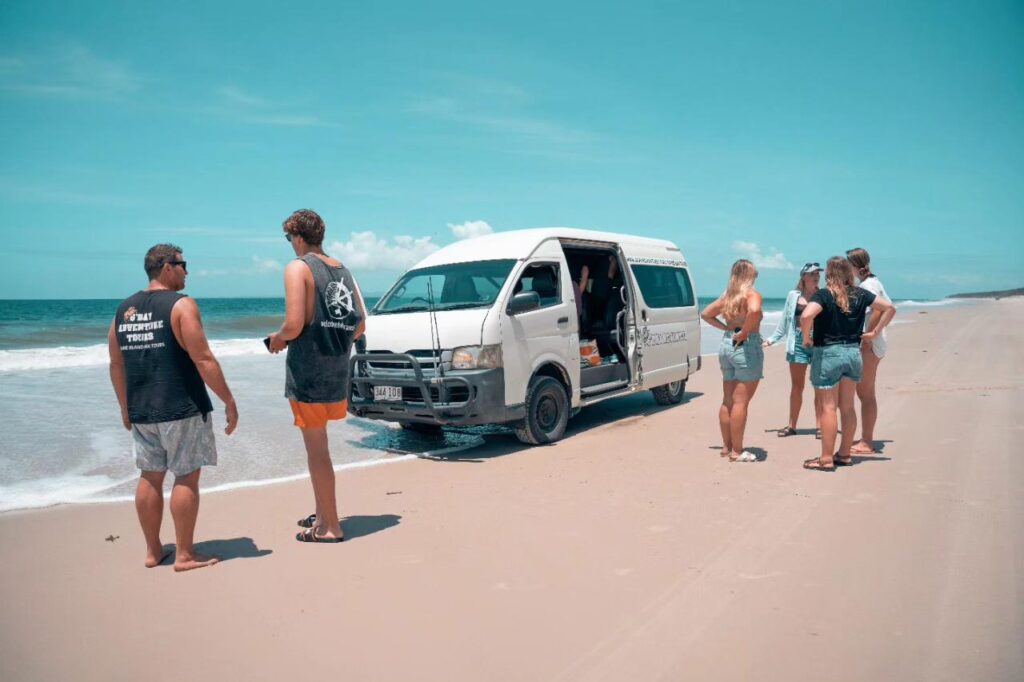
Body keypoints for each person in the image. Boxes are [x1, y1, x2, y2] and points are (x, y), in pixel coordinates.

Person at [107, 244, 238, 571]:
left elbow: (116, 363)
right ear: (166, 267)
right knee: (186, 477)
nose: (187, 271)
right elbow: (203, 358)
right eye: (183, 264)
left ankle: (153, 551)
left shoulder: (123, 310)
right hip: (181, 406)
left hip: (142, 410)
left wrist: (125, 407)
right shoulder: (182, 305)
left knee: (150, 477)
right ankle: (184, 554)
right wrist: (229, 400)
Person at [268, 209, 366, 543]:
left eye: (288, 238)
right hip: (337, 371)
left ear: (297, 237)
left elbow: (294, 324)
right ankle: (323, 513)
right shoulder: (344, 271)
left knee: (317, 451)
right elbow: (361, 323)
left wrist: (278, 338)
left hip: (308, 373)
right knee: (319, 448)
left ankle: (330, 527)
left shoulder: (299, 267)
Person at [799, 257, 895, 471]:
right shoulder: (860, 293)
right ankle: (844, 454)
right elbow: (889, 307)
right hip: (853, 353)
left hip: (829, 353)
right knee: (848, 406)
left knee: (828, 407)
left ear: (829, 274)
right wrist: (874, 333)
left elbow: (806, 315)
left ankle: (825, 458)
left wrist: (806, 338)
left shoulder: (824, 294)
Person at [701, 259, 764, 462]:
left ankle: (727, 447)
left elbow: (706, 314)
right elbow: (754, 311)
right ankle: (737, 451)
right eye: (754, 274)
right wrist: (745, 331)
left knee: (728, 400)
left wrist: (726, 329)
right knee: (741, 402)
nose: (756, 277)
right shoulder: (751, 295)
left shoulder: (728, 297)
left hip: (726, 346)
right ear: (748, 276)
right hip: (745, 346)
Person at [764, 262, 823, 437]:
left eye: (818, 274)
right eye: (812, 273)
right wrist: (772, 339)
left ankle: (820, 426)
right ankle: (792, 426)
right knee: (797, 386)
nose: (816, 276)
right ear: (803, 276)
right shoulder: (793, 295)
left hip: (818, 342)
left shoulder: (823, 295)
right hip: (797, 342)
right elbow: (785, 320)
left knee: (820, 386)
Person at [846, 247, 894, 455]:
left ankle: (867, 441)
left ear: (853, 265)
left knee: (865, 394)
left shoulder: (867, 285)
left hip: (871, 345)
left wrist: (870, 334)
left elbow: (880, 309)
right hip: (877, 343)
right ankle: (866, 438)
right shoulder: (875, 282)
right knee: (867, 393)